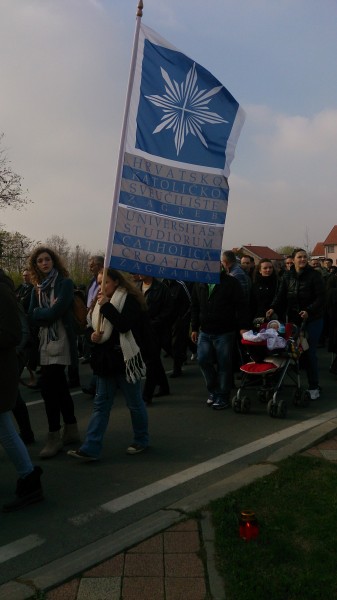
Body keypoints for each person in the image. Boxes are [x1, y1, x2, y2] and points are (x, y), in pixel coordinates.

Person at [67, 269, 149, 461]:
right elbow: (89, 326)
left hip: (124, 360)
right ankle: (91, 447)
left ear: (117, 282)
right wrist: (92, 336)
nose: (102, 286)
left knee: (135, 404)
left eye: (106, 282)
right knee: (101, 405)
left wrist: (106, 307)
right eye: (99, 282)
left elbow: (124, 325)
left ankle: (141, 439)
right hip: (105, 363)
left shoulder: (129, 300)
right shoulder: (98, 301)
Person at [28, 246, 80, 458]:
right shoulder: (36, 289)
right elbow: (31, 315)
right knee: (59, 387)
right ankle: (71, 428)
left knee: (49, 388)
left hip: (60, 340)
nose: (44, 263)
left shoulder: (65, 283)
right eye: (39, 261)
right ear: (36, 266)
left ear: (54, 261)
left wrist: (43, 314)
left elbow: (57, 311)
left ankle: (53, 436)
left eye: (47, 259)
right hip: (44, 341)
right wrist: (44, 313)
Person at [0, 268, 43, 512]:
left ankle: (29, 481)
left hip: (1, 372)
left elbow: (12, 333)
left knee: (5, 428)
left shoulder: (1, 290)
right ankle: (28, 480)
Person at [266, 248, 325, 400]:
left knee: (309, 351)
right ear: (293, 259)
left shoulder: (315, 275)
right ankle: (294, 383)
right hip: (294, 319)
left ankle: (314, 386)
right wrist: (272, 307)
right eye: (300, 257)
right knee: (293, 352)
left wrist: (309, 311)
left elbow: (320, 298)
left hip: (313, 319)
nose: (303, 259)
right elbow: (280, 296)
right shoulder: (287, 275)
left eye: (305, 257)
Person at [191, 268, 250, 410]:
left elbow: (241, 306)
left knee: (224, 365)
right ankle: (213, 391)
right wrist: (194, 327)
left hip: (225, 331)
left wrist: (243, 326)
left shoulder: (231, 282)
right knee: (203, 360)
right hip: (205, 331)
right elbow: (195, 306)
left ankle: (223, 396)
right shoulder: (199, 282)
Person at [138, 275, 174, 404]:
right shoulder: (137, 287)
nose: (140, 272)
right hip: (143, 331)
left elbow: (169, 310)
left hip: (158, 331)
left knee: (151, 363)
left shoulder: (162, 288)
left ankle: (147, 396)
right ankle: (164, 386)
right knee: (154, 361)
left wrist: (154, 323)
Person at [251, 258, 279, 323]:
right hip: (259, 319)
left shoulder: (278, 283)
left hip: (275, 318)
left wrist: (273, 309)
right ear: (260, 270)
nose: (268, 270)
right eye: (265, 268)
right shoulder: (255, 285)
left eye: (270, 267)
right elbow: (252, 304)